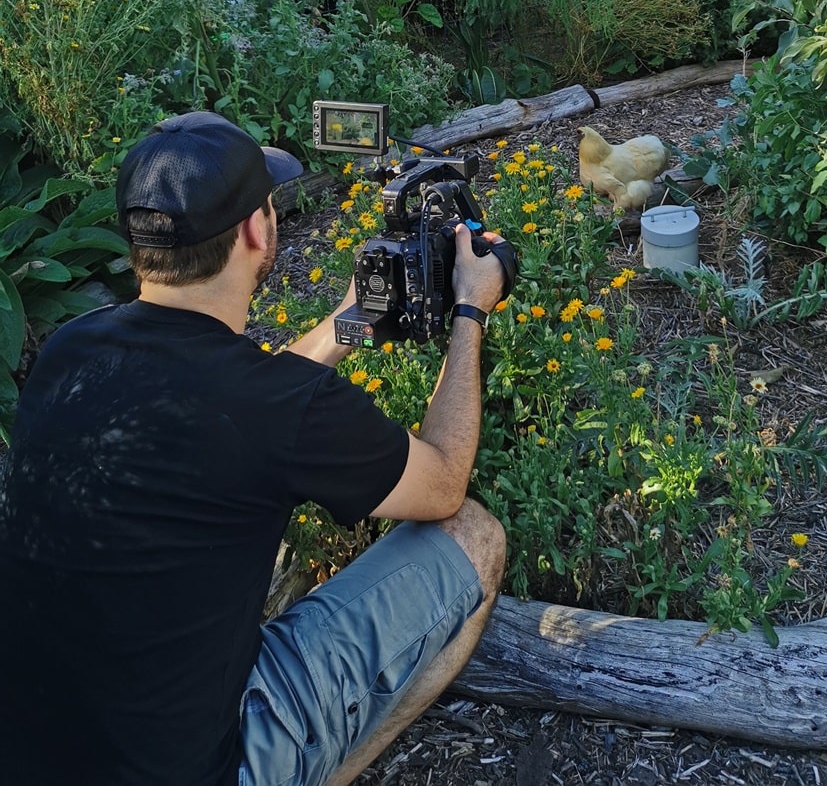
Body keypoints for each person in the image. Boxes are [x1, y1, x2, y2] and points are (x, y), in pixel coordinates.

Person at [0, 110, 509, 786]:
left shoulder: (71, 350)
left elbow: (252, 394)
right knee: (474, 535)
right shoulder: (281, 408)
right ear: (256, 229)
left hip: (36, 754)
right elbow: (442, 482)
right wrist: (471, 309)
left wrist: (351, 318)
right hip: (202, 769)